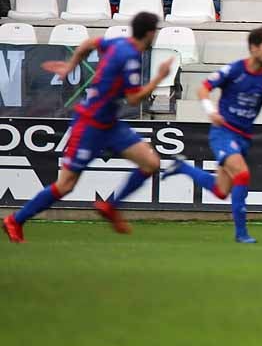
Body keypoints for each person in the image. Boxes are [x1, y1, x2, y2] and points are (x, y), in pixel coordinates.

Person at [4, 13, 175, 244]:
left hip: (110, 124)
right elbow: (134, 100)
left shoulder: (118, 43)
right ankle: (16, 219)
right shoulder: (131, 57)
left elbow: (89, 43)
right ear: (150, 33)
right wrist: (159, 78)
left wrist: (70, 66)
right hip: (90, 126)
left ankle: (110, 206)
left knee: (151, 163)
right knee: (65, 185)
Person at [164, 27, 262, 244]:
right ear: (253, 47)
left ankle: (182, 167)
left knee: (222, 191)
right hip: (223, 132)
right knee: (242, 174)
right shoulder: (234, 70)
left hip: (243, 137)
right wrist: (210, 111)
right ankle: (241, 234)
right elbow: (203, 88)